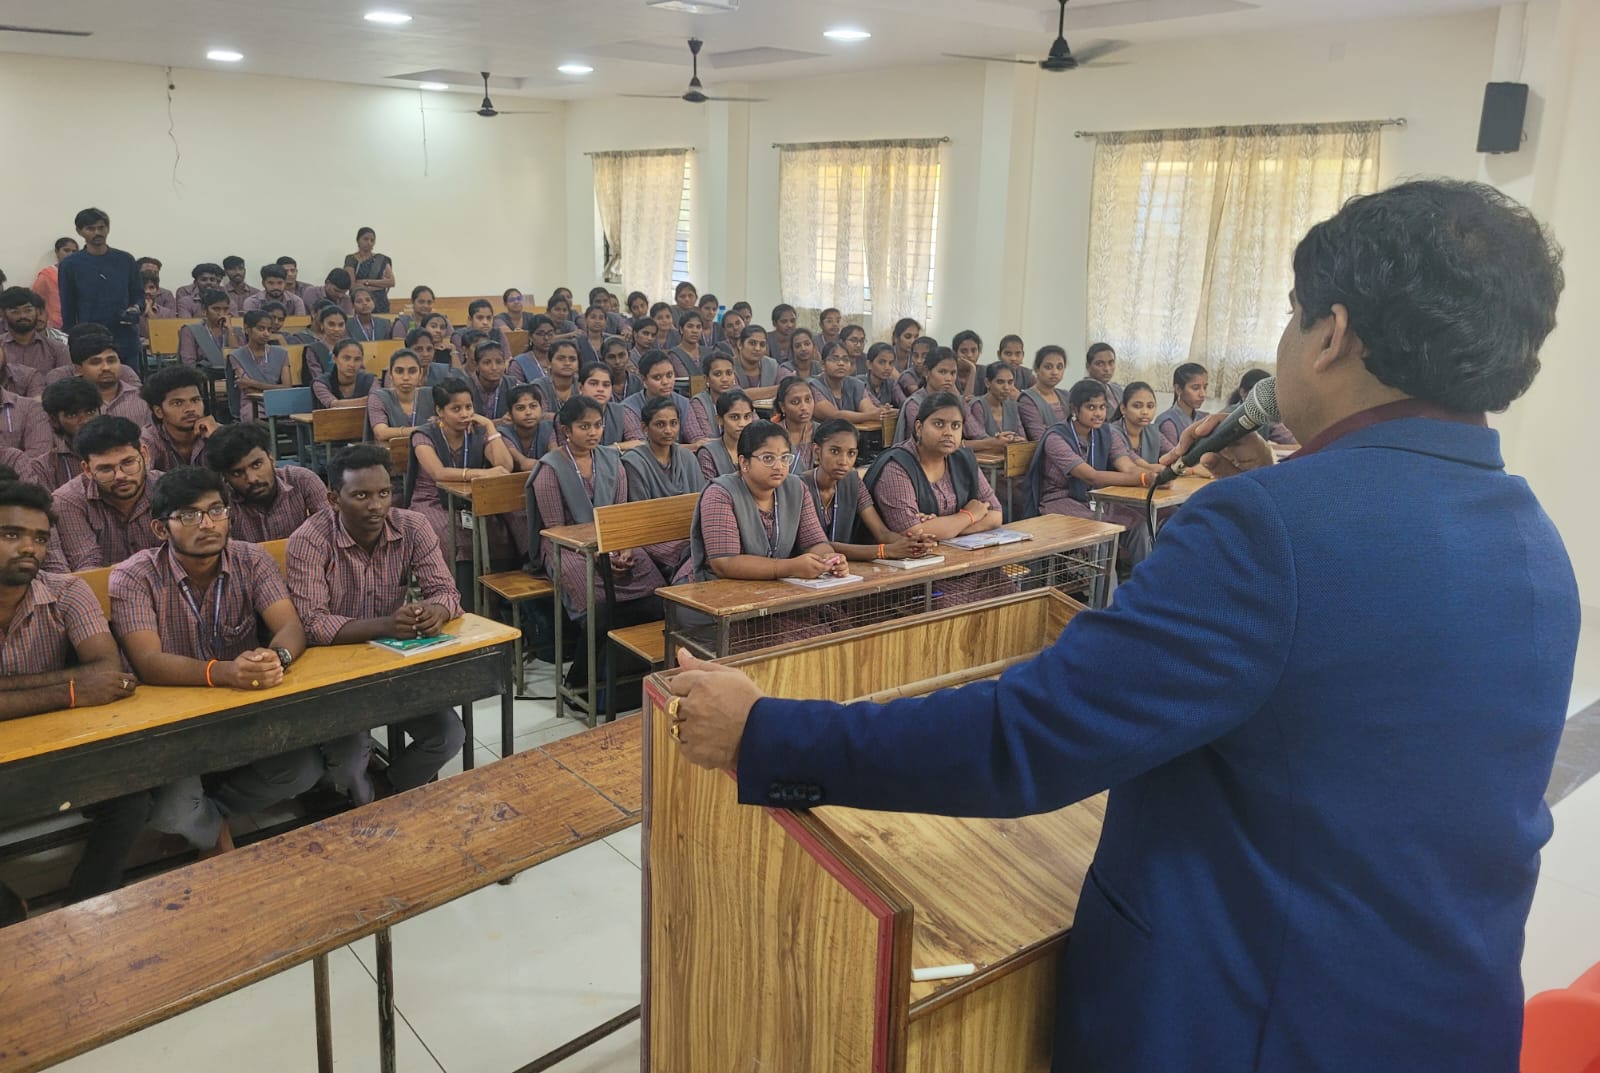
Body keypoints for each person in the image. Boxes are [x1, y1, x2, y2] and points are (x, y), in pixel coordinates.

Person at [664, 178, 1581, 1073]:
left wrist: (766, 730)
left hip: (1250, 1023)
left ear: (1331, 334)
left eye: (1294, 313)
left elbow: (1029, 737)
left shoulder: (1266, 528)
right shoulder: (1534, 539)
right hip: (1442, 1018)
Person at [111, 467, 347, 852]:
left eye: (216, 510)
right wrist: (227, 672)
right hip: (174, 720)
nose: (207, 524)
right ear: (159, 529)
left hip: (243, 705)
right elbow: (148, 662)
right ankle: (209, 825)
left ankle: (216, 810)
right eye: (189, 515)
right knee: (172, 814)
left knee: (302, 770)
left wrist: (275, 657)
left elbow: (290, 626)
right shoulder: (134, 576)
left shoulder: (250, 558)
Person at [287, 444, 469, 799]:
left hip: (390, 663)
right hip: (333, 674)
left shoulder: (412, 525)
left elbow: (447, 592)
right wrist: (387, 625)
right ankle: (349, 795)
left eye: (384, 493)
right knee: (349, 760)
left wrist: (436, 611)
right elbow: (313, 625)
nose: (376, 505)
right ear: (333, 499)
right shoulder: (309, 540)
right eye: (362, 495)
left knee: (449, 735)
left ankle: (385, 791)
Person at [527, 396, 666, 689]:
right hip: (566, 547)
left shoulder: (612, 460)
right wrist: (597, 554)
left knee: (649, 577)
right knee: (593, 593)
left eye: (598, 425)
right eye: (584, 426)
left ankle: (637, 669)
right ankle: (591, 675)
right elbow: (555, 529)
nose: (593, 432)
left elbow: (620, 514)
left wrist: (624, 547)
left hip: (612, 540)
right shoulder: (550, 469)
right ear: (566, 430)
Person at [672, 420, 844, 646]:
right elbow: (724, 562)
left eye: (785, 458)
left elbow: (815, 541)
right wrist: (791, 567)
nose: (779, 466)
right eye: (768, 458)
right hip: (712, 598)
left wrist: (828, 560)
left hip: (771, 592)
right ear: (744, 462)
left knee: (833, 629)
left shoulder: (796, 488)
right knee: (783, 641)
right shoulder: (721, 494)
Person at [866, 391, 1008, 608]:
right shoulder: (896, 466)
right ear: (919, 427)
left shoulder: (963, 459)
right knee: (950, 604)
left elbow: (996, 515)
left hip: (958, 561)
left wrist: (944, 528)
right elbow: (912, 532)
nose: (948, 432)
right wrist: (969, 515)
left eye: (955, 426)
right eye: (939, 424)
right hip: (910, 573)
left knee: (1003, 588)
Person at [1023, 379, 1156, 565]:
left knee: (1140, 525)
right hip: (1061, 501)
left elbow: (1128, 467)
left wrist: (1154, 478)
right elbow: (1091, 476)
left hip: (1094, 499)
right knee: (1102, 535)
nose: (1099, 413)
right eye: (1091, 407)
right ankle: (1104, 586)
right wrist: (1142, 478)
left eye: (1102, 407)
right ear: (1074, 409)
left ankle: (1142, 580)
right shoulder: (1056, 437)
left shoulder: (1106, 432)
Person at [408, 378, 513, 582]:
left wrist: (490, 427)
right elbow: (439, 473)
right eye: (456, 409)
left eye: (468, 407)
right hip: (432, 501)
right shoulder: (423, 435)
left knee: (497, 531)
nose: (464, 414)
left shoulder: (477, 432)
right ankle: (452, 591)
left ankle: (489, 595)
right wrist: (480, 473)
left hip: (470, 500)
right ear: (440, 411)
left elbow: (504, 466)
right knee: (449, 535)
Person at [801, 420, 934, 561]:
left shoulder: (854, 483)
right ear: (817, 451)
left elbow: (882, 533)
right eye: (835, 451)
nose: (843, 461)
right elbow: (819, 545)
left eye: (851, 453)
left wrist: (913, 542)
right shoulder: (799, 487)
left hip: (843, 566)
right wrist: (884, 551)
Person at [45, 415, 163, 571]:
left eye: (128, 462)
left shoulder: (168, 487)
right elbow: (88, 568)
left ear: (145, 455)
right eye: (106, 469)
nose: (120, 476)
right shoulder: (67, 501)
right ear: (87, 470)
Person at [622, 395, 706, 578]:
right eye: (660, 424)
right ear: (644, 427)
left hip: (688, 531)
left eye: (673, 423)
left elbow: (701, 502)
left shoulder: (688, 458)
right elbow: (642, 515)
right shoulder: (634, 462)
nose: (668, 430)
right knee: (692, 552)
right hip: (652, 536)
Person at [57, 208, 143, 373]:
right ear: (79, 231)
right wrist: (71, 339)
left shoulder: (125, 259)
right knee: (93, 383)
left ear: (108, 229)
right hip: (89, 338)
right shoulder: (70, 264)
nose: (97, 232)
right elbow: (67, 306)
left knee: (131, 383)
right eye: (90, 228)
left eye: (101, 227)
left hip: (125, 336)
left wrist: (136, 308)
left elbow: (138, 294)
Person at [60, 325, 148, 429]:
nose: (106, 367)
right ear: (78, 369)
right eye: (96, 362)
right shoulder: (65, 403)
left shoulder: (143, 399)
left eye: (111, 361)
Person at [140, 365, 213, 471]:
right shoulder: (148, 440)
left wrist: (218, 439)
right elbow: (142, 477)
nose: (190, 409)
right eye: (178, 403)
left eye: (195, 400)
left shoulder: (214, 432)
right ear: (159, 412)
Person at [228, 311, 292, 423]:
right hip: (253, 402)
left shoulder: (281, 353)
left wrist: (253, 383)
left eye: (269, 329)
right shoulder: (236, 356)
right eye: (261, 329)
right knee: (252, 418)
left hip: (279, 400)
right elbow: (247, 388)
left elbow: (287, 387)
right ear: (247, 329)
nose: (266, 333)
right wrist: (275, 388)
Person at [38, 378, 101, 491]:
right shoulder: (45, 466)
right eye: (73, 415)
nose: (85, 421)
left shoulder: (123, 451)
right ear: (54, 421)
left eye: (90, 412)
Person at [2, 286, 70, 383]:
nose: (23, 316)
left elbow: (66, 386)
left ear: (36, 312)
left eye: (28, 310)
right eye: (15, 312)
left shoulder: (57, 349)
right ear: (4, 314)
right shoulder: (1, 346)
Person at [893, 347, 961, 443]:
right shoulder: (914, 404)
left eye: (953, 373)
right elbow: (931, 440)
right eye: (942, 372)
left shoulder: (952, 401)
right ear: (926, 372)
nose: (949, 378)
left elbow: (974, 431)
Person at [622, 351, 693, 444]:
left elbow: (696, 437)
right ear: (644, 380)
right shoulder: (629, 408)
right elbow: (639, 445)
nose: (665, 382)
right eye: (657, 377)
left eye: (669, 375)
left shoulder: (683, 403)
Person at [368, 349, 435, 440]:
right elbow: (381, 433)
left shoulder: (432, 395)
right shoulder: (378, 397)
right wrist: (425, 429)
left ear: (420, 374)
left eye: (412, 371)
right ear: (390, 374)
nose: (406, 377)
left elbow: (445, 425)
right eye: (399, 371)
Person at [696, 389, 755, 481]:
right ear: (719, 420)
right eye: (735, 417)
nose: (742, 424)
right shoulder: (708, 453)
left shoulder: (759, 448)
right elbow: (710, 487)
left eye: (747, 416)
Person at [1227, 369, 1297, 445]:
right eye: (1258, 395)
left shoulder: (1267, 416)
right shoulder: (1226, 415)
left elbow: (1291, 441)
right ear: (1242, 392)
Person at [176, 289, 238, 371]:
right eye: (216, 309)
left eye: (225, 309)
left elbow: (239, 361)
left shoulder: (236, 331)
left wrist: (230, 331)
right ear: (204, 310)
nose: (221, 313)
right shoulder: (191, 330)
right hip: (202, 375)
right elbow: (188, 363)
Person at [1155, 362, 1211, 452]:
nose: (1203, 394)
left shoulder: (1205, 418)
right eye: (1195, 388)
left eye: (1205, 387)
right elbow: (1173, 458)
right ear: (1178, 389)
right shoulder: (1168, 422)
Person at [1018, 345, 1070, 441]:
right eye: (1048, 367)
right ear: (1037, 368)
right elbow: (1039, 436)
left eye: (1059, 367)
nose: (1055, 372)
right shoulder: (1028, 399)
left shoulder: (1066, 396)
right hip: (1047, 448)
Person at [969, 361, 1025, 447]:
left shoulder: (1012, 406)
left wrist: (1017, 440)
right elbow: (979, 438)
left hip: (1012, 453)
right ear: (987, 383)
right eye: (1000, 382)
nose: (1006, 387)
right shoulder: (978, 405)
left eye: (1010, 382)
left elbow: (1022, 438)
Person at [499, 384, 553, 470]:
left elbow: (555, 458)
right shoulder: (503, 434)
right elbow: (524, 463)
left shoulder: (549, 428)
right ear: (510, 414)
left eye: (533, 406)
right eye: (520, 408)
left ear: (541, 409)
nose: (528, 412)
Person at [685, 353, 737, 443]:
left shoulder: (741, 399)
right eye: (718, 374)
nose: (725, 379)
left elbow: (756, 430)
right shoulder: (697, 403)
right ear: (706, 379)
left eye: (729, 373)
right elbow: (700, 440)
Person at [30, 236, 79, 330]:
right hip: (54, 325)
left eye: (74, 251)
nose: (70, 254)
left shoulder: (81, 274)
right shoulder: (47, 275)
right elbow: (36, 301)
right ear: (57, 252)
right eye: (66, 250)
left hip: (78, 324)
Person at [772, 376, 818, 473]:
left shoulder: (821, 431)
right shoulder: (772, 433)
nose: (804, 407)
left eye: (808, 400)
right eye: (795, 402)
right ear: (782, 406)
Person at [313, 339, 374, 410]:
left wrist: (374, 400)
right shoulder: (321, 383)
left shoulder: (370, 380)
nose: (352, 364)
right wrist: (369, 400)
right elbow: (334, 405)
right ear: (334, 359)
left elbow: (378, 401)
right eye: (346, 358)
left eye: (357, 359)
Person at [344, 227, 394, 313]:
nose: (369, 243)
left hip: (380, 303)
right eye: (365, 239)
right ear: (358, 240)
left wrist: (366, 282)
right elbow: (353, 286)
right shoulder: (351, 259)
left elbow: (391, 282)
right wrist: (380, 286)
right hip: (360, 303)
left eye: (372, 240)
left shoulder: (381, 259)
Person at [528, 339, 579, 418]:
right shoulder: (538, 386)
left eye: (572, 359)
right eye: (561, 359)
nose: (567, 363)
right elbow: (539, 415)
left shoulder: (582, 384)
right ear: (549, 362)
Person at [731, 324, 780, 401]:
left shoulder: (771, 364)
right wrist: (779, 389)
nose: (757, 348)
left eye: (762, 344)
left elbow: (790, 386)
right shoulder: (728, 366)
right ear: (740, 344)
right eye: (752, 343)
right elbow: (735, 395)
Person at [239, 264, 304, 316]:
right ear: (263, 283)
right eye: (271, 283)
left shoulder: (296, 301)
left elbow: (301, 325)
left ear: (285, 283)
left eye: (280, 283)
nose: (275, 287)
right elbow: (251, 325)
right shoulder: (252, 302)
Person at [858, 342, 908, 409]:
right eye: (881, 362)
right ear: (869, 364)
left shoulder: (891, 383)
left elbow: (905, 404)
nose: (887, 367)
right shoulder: (858, 382)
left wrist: (896, 411)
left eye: (890, 363)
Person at [510, 314, 556, 384]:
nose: (546, 338)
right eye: (540, 334)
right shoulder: (519, 363)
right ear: (530, 337)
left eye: (550, 333)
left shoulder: (561, 359)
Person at [1085, 342, 1124, 420]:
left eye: (1111, 363)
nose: (1107, 369)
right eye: (1100, 364)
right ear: (1088, 366)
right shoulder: (1081, 391)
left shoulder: (1117, 389)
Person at [664, 312, 704, 377]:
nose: (695, 331)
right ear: (681, 329)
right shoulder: (673, 355)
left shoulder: (708, 352)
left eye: (698, 327)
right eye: (690, 326)